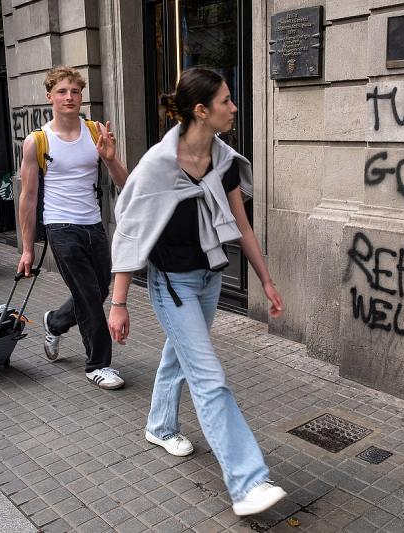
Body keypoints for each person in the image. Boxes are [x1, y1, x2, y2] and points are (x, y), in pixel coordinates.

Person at [107, 68, 287, 516]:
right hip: (172, 286)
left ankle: (160, 424)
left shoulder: (222, 159)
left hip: (208, 280)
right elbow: (130, 231)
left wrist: (265, 279)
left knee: (180, 355)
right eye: (226, 100)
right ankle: (247, 483)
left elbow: (241, 225)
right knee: (209, 379)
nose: (234, 107)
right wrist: (119, 301)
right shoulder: (157, 165)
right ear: (201, 110)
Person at [17, 66, 129, 390]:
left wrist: (109, 158)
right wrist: (27, 248)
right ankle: (98, 364)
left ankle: (55, 321)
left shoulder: (95, 131)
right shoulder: (37, 141)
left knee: (100, 289)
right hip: (60, 227)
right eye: (62, 92)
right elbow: (27, 197)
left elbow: (125, 183)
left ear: (81, 97)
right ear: (50, 96)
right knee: (90, 296)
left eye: (75, 92)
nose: (69, 97)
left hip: (93, 224)